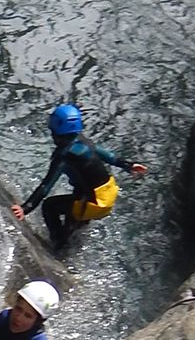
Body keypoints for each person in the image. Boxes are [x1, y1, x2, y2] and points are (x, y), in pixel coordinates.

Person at [9, 102, 147, 252]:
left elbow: (46, 186)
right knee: (74, 214)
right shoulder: (85, 142)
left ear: (56, 131)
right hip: (108, 193)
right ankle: (72, 237)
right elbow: (110, 157)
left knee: (49, 206)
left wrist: (25, 208)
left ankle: (57, 245)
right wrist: (129, 165)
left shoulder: (63, 155)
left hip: (94, 202)